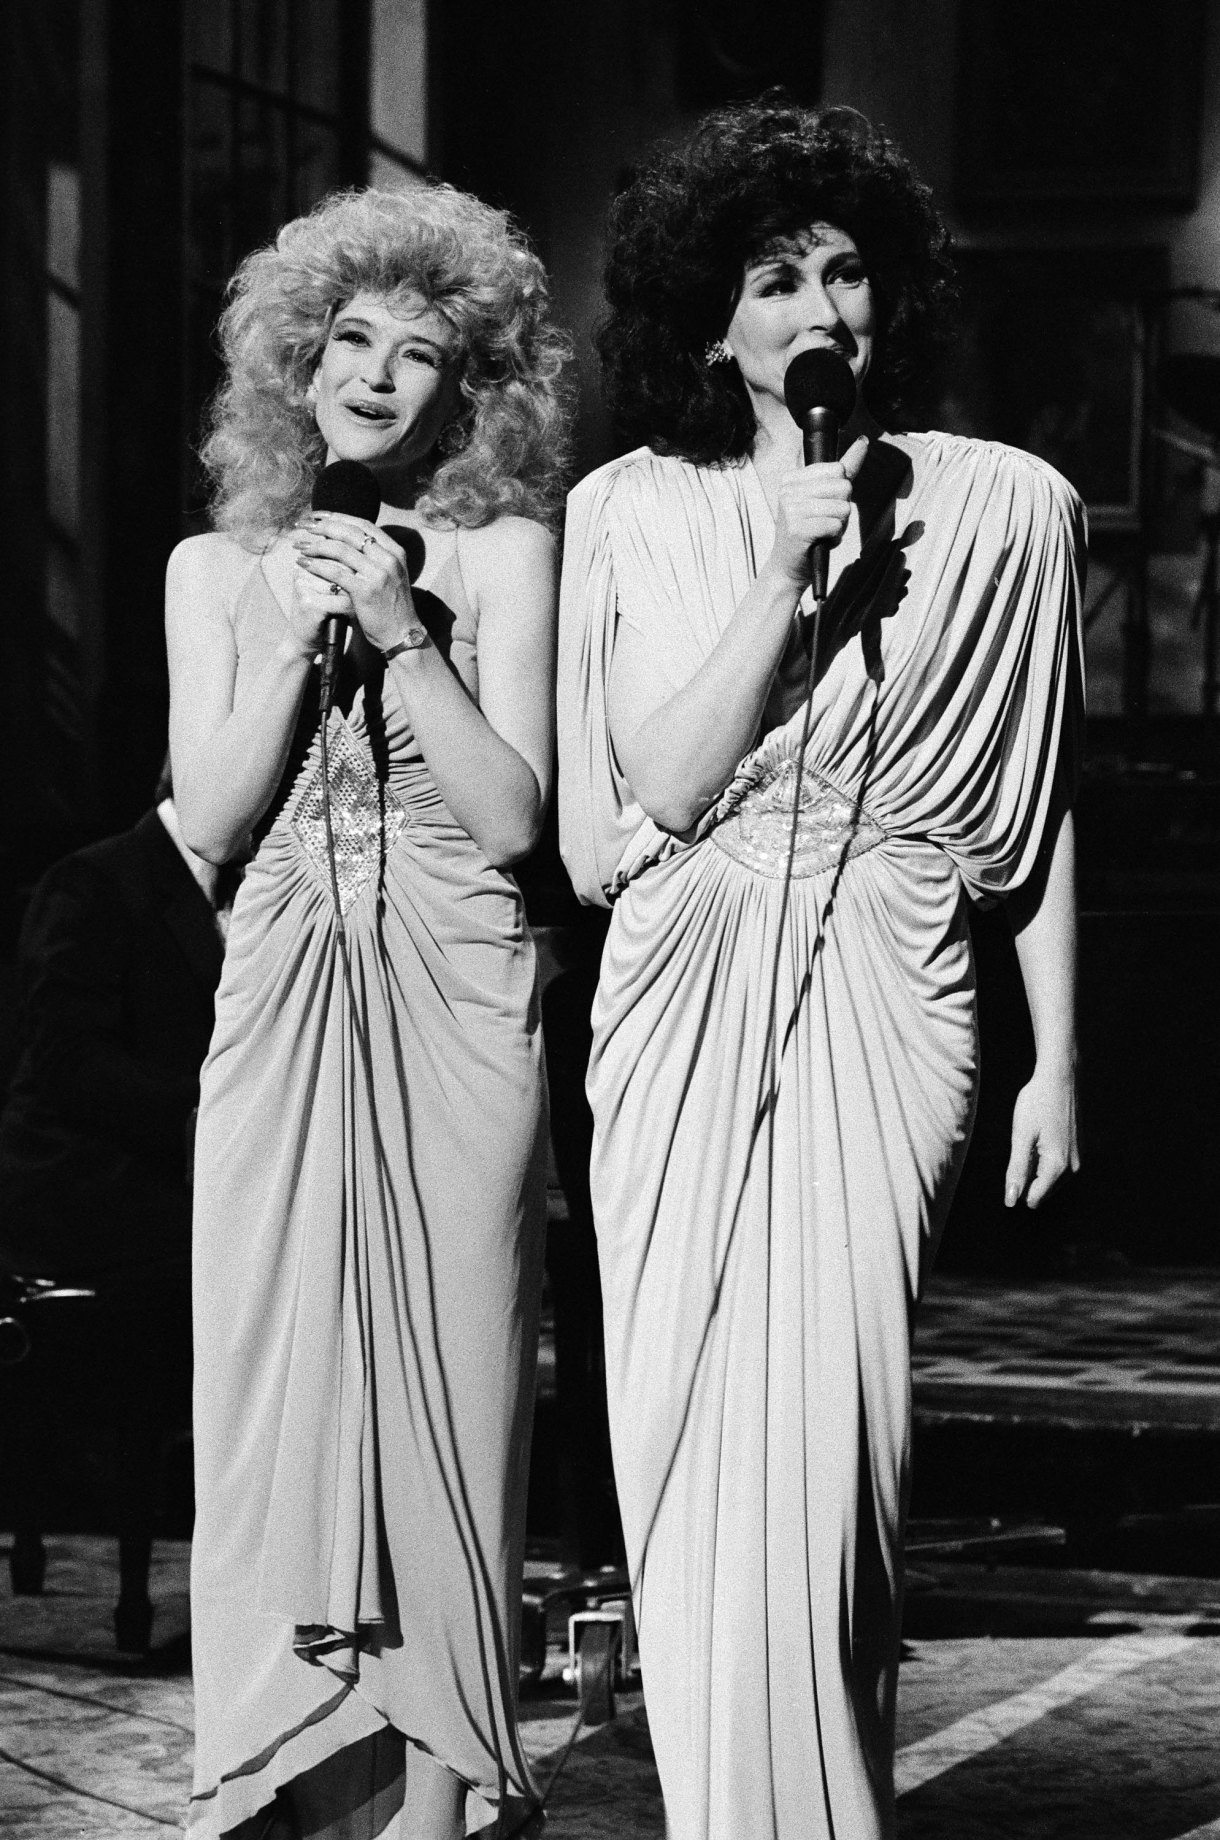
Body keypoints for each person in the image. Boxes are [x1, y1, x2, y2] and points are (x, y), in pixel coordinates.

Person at [557, 100, 1083, 1840]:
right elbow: (665, 783)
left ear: (889, 300)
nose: (814, 308)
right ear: (713, 324)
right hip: (680, 983)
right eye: (770, 278)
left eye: (843, 271)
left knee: (830, 1452)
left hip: (891, 980)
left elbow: (1038, 801)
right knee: (693, 1445)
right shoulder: (633, 508)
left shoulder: (1007, 507)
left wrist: (1055, 1060)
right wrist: (784, 564)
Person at [168, 184, 567, 1839]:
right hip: (278, 992)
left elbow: (518, 818)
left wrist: (405, 638)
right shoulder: (214, 565)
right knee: (265, 1378)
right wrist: (293, 633)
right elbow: (203, 817)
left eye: (425, 353)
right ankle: (278, 1752)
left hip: (461, 990)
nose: (381, 377)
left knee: (458, 1372)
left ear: (473, 390)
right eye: (350, 341)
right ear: (293, 360)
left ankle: (444, 1779)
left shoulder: (511, 552)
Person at [0, 756, 227, 1647]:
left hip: (164, 1168)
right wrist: (202, 1111)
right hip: (78, 1182)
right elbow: (64, 1061)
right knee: (241, 1258)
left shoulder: (255, 891)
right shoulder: (93, 881)